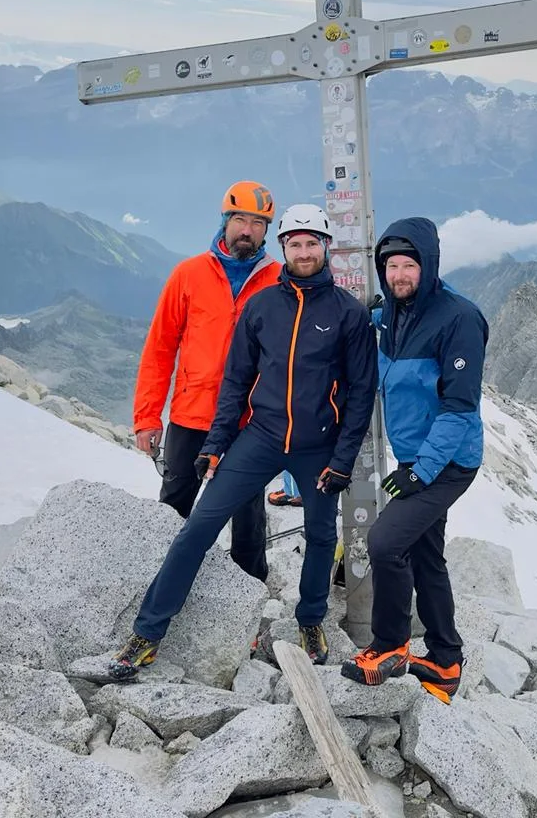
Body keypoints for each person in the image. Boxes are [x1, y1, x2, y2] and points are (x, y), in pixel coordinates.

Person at [110, 204, 377, 679]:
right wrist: (216, 443)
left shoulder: (348, 315)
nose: (304, 252)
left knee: (320, 535)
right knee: (199, 526)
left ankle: (310, 620)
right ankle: (147, 633)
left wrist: (342, 458)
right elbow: (236, 381)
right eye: (295, 244)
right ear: (284, 249)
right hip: (261, 436)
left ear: (326, 248)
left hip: (318, 445)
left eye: (312, 243)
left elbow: (360, 395)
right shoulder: (261, 306)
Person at [340, 217, 488, 702]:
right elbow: (371, 330)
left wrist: (421, 469)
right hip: (416, 458)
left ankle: (389, 646)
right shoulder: (393, 318)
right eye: (392, 266)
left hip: (448, 463)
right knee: (426, 556)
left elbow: (458, 409)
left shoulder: (459, 320)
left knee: (385, 543)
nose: (400, 274)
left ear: (429, 266)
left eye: (410, 265)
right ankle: (445, 661)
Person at [132, 181, 281, 581]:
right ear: (224, 221)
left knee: (248, 518)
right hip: (191, 416)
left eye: (257, 222)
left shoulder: (279, 282)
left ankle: (248, 600)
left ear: (267, 230)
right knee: (174, 509)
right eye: (238, 219)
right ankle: (157, 585)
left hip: (250, 422)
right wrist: (147, 416)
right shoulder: (189, 275)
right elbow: (160, 348)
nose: (246, 230)